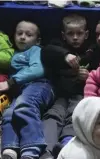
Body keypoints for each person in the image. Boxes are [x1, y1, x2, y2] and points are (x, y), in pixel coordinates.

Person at [0, 20, 54, 159]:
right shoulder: (12, 53)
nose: (23, 37)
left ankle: (31, 149)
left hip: (39, 85)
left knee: (24, 106)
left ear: (37, 40)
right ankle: (10, 149)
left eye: (28, 35)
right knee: (8, 114)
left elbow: (38, 69)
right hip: (21, 91)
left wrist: (11, 82)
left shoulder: (35, 50)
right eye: (19, 33)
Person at [40, 14, 90, 159]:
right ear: (64, 35)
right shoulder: (57, 45)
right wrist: (65, 55)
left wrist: (88, 76)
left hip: (80, 94)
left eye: (79, 33)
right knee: (52, 115)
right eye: (70, 33)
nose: (75, 37)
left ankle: (67, 144)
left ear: (86, 34)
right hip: (60, 94)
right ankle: (47, 150)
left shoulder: (91, 50)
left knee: (76, 114)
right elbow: (46, 51)